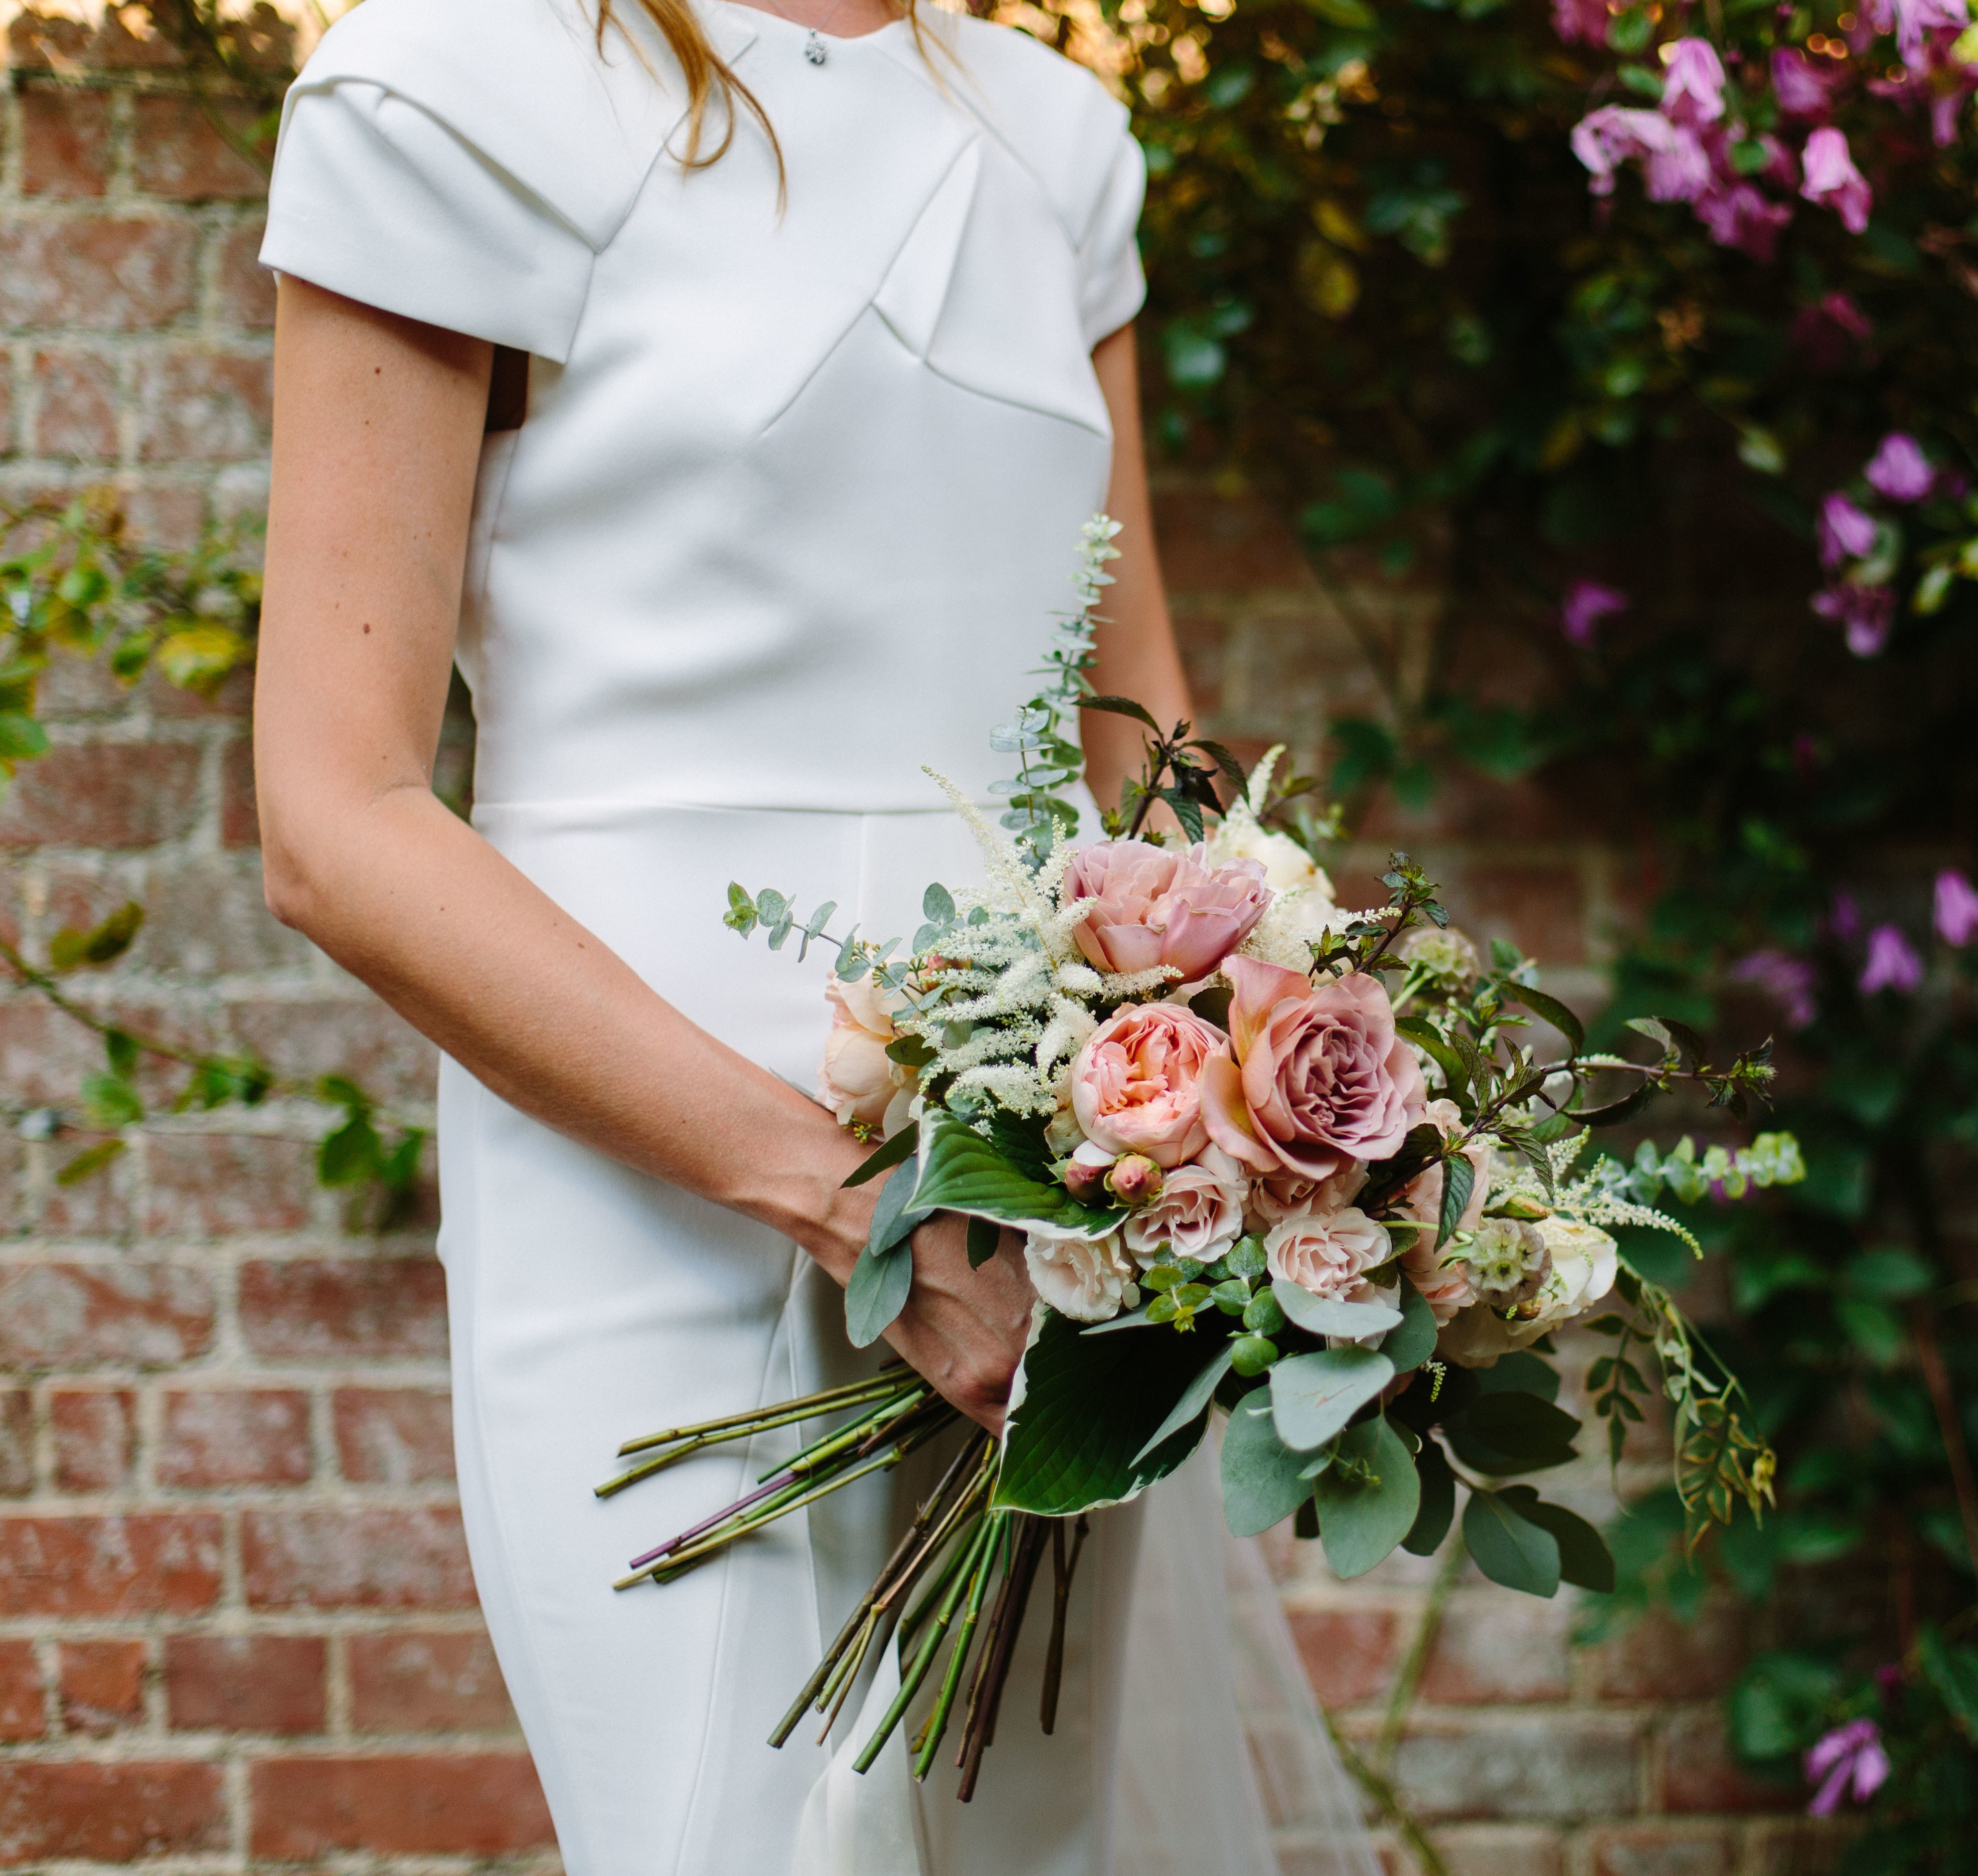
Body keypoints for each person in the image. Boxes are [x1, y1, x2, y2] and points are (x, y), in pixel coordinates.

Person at [251, 3, 1374, 1870]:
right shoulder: (449, 85)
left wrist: (1292, 1127)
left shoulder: (1061, 141)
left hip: (1043, 1195)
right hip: (644, 1191)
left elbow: (1137, 735)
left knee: (1013, 1836)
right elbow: (333, 820)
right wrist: (856, 1203)